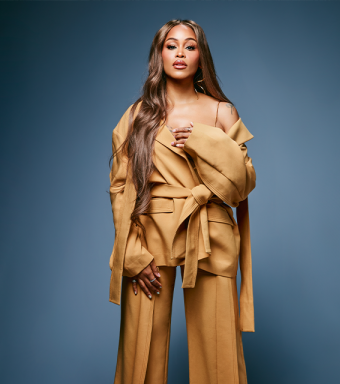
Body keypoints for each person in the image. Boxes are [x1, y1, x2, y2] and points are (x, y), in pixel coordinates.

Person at [108, 19, 256, 384]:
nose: (180, 53)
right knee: (140, 351)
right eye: (171, 45)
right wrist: (132, 253)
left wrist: (205, 141)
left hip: (209, 233)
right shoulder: (137, 115)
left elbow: (243, 184)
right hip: (149, 234)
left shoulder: (223, 112)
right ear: (159, 56)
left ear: (200, 57)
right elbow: (119, 187)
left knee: (219, 353)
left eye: (189, 46)